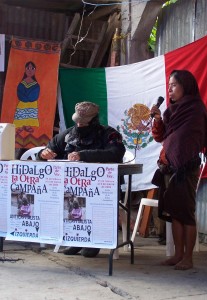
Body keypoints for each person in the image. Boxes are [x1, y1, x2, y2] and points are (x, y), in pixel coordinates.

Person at [37, 101, 126, 257]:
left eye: (83, 122)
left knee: (92, 202)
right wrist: (43, 154)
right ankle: (76, 240)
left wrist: (83, 155)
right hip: (72, 190)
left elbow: (116, 152)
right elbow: (49, 148)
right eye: (77, 120)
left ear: (94, 120)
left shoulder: (108, 134)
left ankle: (94, 239)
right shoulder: (68, 135)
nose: (79, 124)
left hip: (102, 190)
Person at [150, 70, 207, 270]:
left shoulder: (195, 109)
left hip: (185, 167)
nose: (169, 89)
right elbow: (161, 137)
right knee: (175, 212)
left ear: (186, 86)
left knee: (186, 212)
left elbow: (187, 139)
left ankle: (188, 258)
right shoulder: (171, 110)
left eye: (174, 85)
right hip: (169, 167)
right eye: (169, 85)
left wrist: (177, 154)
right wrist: (158, 119)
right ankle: (177, 255)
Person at [14, 61, 40, 133]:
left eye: (32, 68)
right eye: (28, 68)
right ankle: (21, 125)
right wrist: (25, 99)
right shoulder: (22, 83)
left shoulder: (36, 84)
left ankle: (28, 125)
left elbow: (35, 95)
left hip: (32, 103)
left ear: (35, 70)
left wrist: (29, 98)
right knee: (21, 114)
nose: (30, 70)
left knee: (30, 114)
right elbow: (20, 93)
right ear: (25, 70)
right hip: (22, 102)